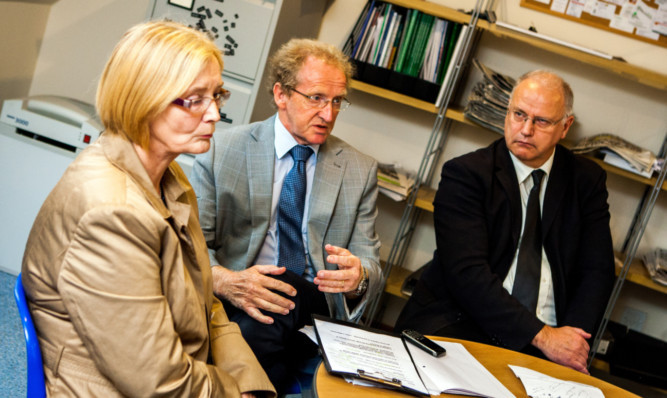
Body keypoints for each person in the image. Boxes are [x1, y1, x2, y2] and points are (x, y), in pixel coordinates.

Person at [21, 21, 275, 397]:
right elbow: (160, 383)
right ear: (143, 99)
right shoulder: (110, 212)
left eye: (217, 95)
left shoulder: (168, 176)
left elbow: (207, 306)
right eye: (194, 99)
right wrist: (234, 393)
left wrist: (249, 385)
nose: (214, 115)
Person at [190, 38, 382, 392]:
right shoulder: (221, 151)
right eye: (316, 99)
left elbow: (370, 264)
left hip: (314, 304)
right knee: (271, 360)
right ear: (281, 94)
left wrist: (359, 279)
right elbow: (193, 248)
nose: (328, 114)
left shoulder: (360, 170)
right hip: (239, 298)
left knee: (287, 286)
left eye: (337, 101)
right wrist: (225, 281)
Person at [395, 70, 615, 374]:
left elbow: (597, 271)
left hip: (553, 337)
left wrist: (572, 342)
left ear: (565, 127)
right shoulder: (466, 174)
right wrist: (543, 336)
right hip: (467, 322)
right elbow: (467, 275)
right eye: (518, 114)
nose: (525, 129)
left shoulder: (586, 180)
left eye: (541, 121)